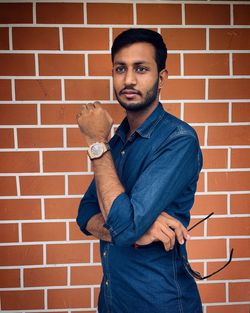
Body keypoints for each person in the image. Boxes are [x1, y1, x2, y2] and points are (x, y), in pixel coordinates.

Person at [76, 28, 203, 313]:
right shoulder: (119, 139)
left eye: (141, 68)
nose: (129, 79)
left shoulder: (178, 140)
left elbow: (124, 226)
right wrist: (139, 231)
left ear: (162, 78)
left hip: (159, 303)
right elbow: (84, 214)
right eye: (120, 68)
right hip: (112, 301)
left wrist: (97, 141)